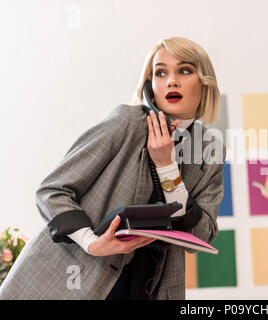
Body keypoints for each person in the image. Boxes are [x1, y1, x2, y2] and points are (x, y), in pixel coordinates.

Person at [0, 37, 225, 300]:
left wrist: (166, 167)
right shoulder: (126, 123)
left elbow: (203, 235)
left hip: (144, 289)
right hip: (72, 280)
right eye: (161, 72)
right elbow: (52, 191)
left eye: (184, 70)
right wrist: (91, 241)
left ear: (204, 81)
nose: (171, 81)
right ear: (150, 86)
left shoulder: (210, 149)